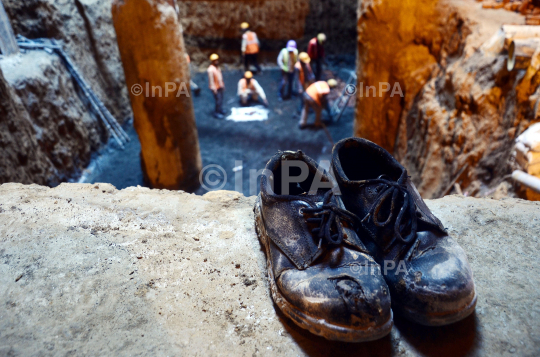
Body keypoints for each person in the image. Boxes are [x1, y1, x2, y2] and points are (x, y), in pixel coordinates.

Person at [207, 53, 225, 119]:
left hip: (220, 86)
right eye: (215, 60)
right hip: (215, 88)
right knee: (218, 100)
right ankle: (216, 112)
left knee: (221, 99)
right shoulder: (210, 69)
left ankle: (220, 110)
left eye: (217, 60)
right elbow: (211, 80)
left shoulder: (217, 68)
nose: (216, 61)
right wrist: (214, 89)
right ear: (212, 61)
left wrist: (222, 85)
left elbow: (220, 77)